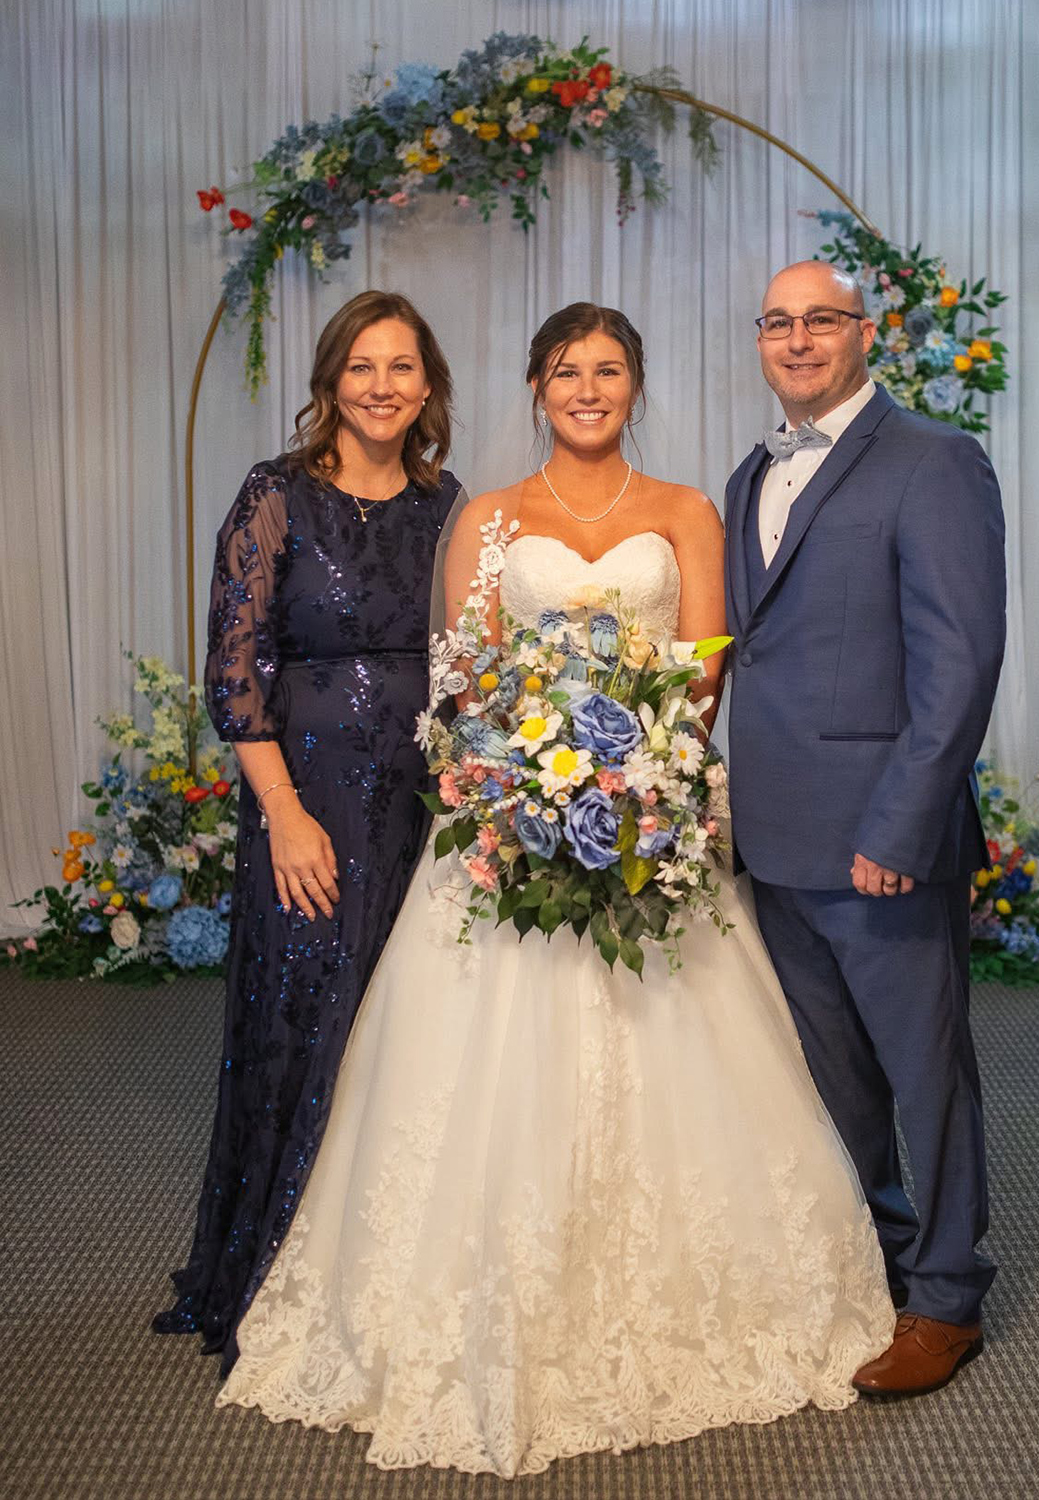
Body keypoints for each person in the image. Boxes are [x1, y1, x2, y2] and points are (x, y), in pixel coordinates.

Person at [214, 303, 894, 1478]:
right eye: (567, 370)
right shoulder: (484, 517)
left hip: (646, 820)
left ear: (635, 386)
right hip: (511, 822)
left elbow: (702, 677)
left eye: (609, 370)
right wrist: (528, 783)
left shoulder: (686, 511)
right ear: (535, 386)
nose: (588, 389)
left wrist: (638, 784)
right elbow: (468, 678)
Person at [152, 291, 464, 1373]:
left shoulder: (447, 504)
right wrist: (284, 815)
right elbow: (233, 671)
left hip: (422, 806)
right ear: (331, 380)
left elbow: (469, 656)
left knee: (402, 1030)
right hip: (310, 803)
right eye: (361, 366)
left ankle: (378, 1281)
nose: (382, 386)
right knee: (304, 1018)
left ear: (428, 387)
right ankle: (278, 1276)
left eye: (402, 367)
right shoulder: (276, 495)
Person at [724, 261, 1006, 1398]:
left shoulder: (935, 461)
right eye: (778, 322)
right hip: (775, 834)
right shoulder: (751, 471)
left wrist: (901, 828)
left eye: (821, 320)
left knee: (924, 1074)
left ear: (864, 334)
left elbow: (960, 665)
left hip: (880, 840)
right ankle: (877, 1264)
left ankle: (947, 1296)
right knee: (832, 1078)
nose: (798, 340)